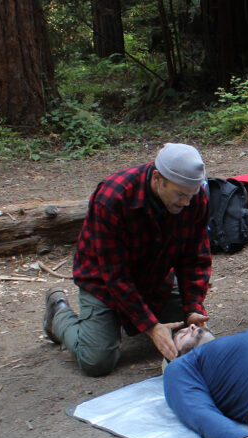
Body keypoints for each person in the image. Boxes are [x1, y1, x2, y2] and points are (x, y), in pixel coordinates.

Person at [43, 143, 212, 377]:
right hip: (103, 282)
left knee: (201, 340)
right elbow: (115, 276)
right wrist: (151, 327)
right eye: (180, 194)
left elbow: (195, 258)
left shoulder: (195, 198)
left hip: (155, 278)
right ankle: (58, 315)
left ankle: (141, 317)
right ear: (157, 178)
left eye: (191, 195)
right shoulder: (114, 197)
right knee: (97, 361)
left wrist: (193, 307)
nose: (186, 203)